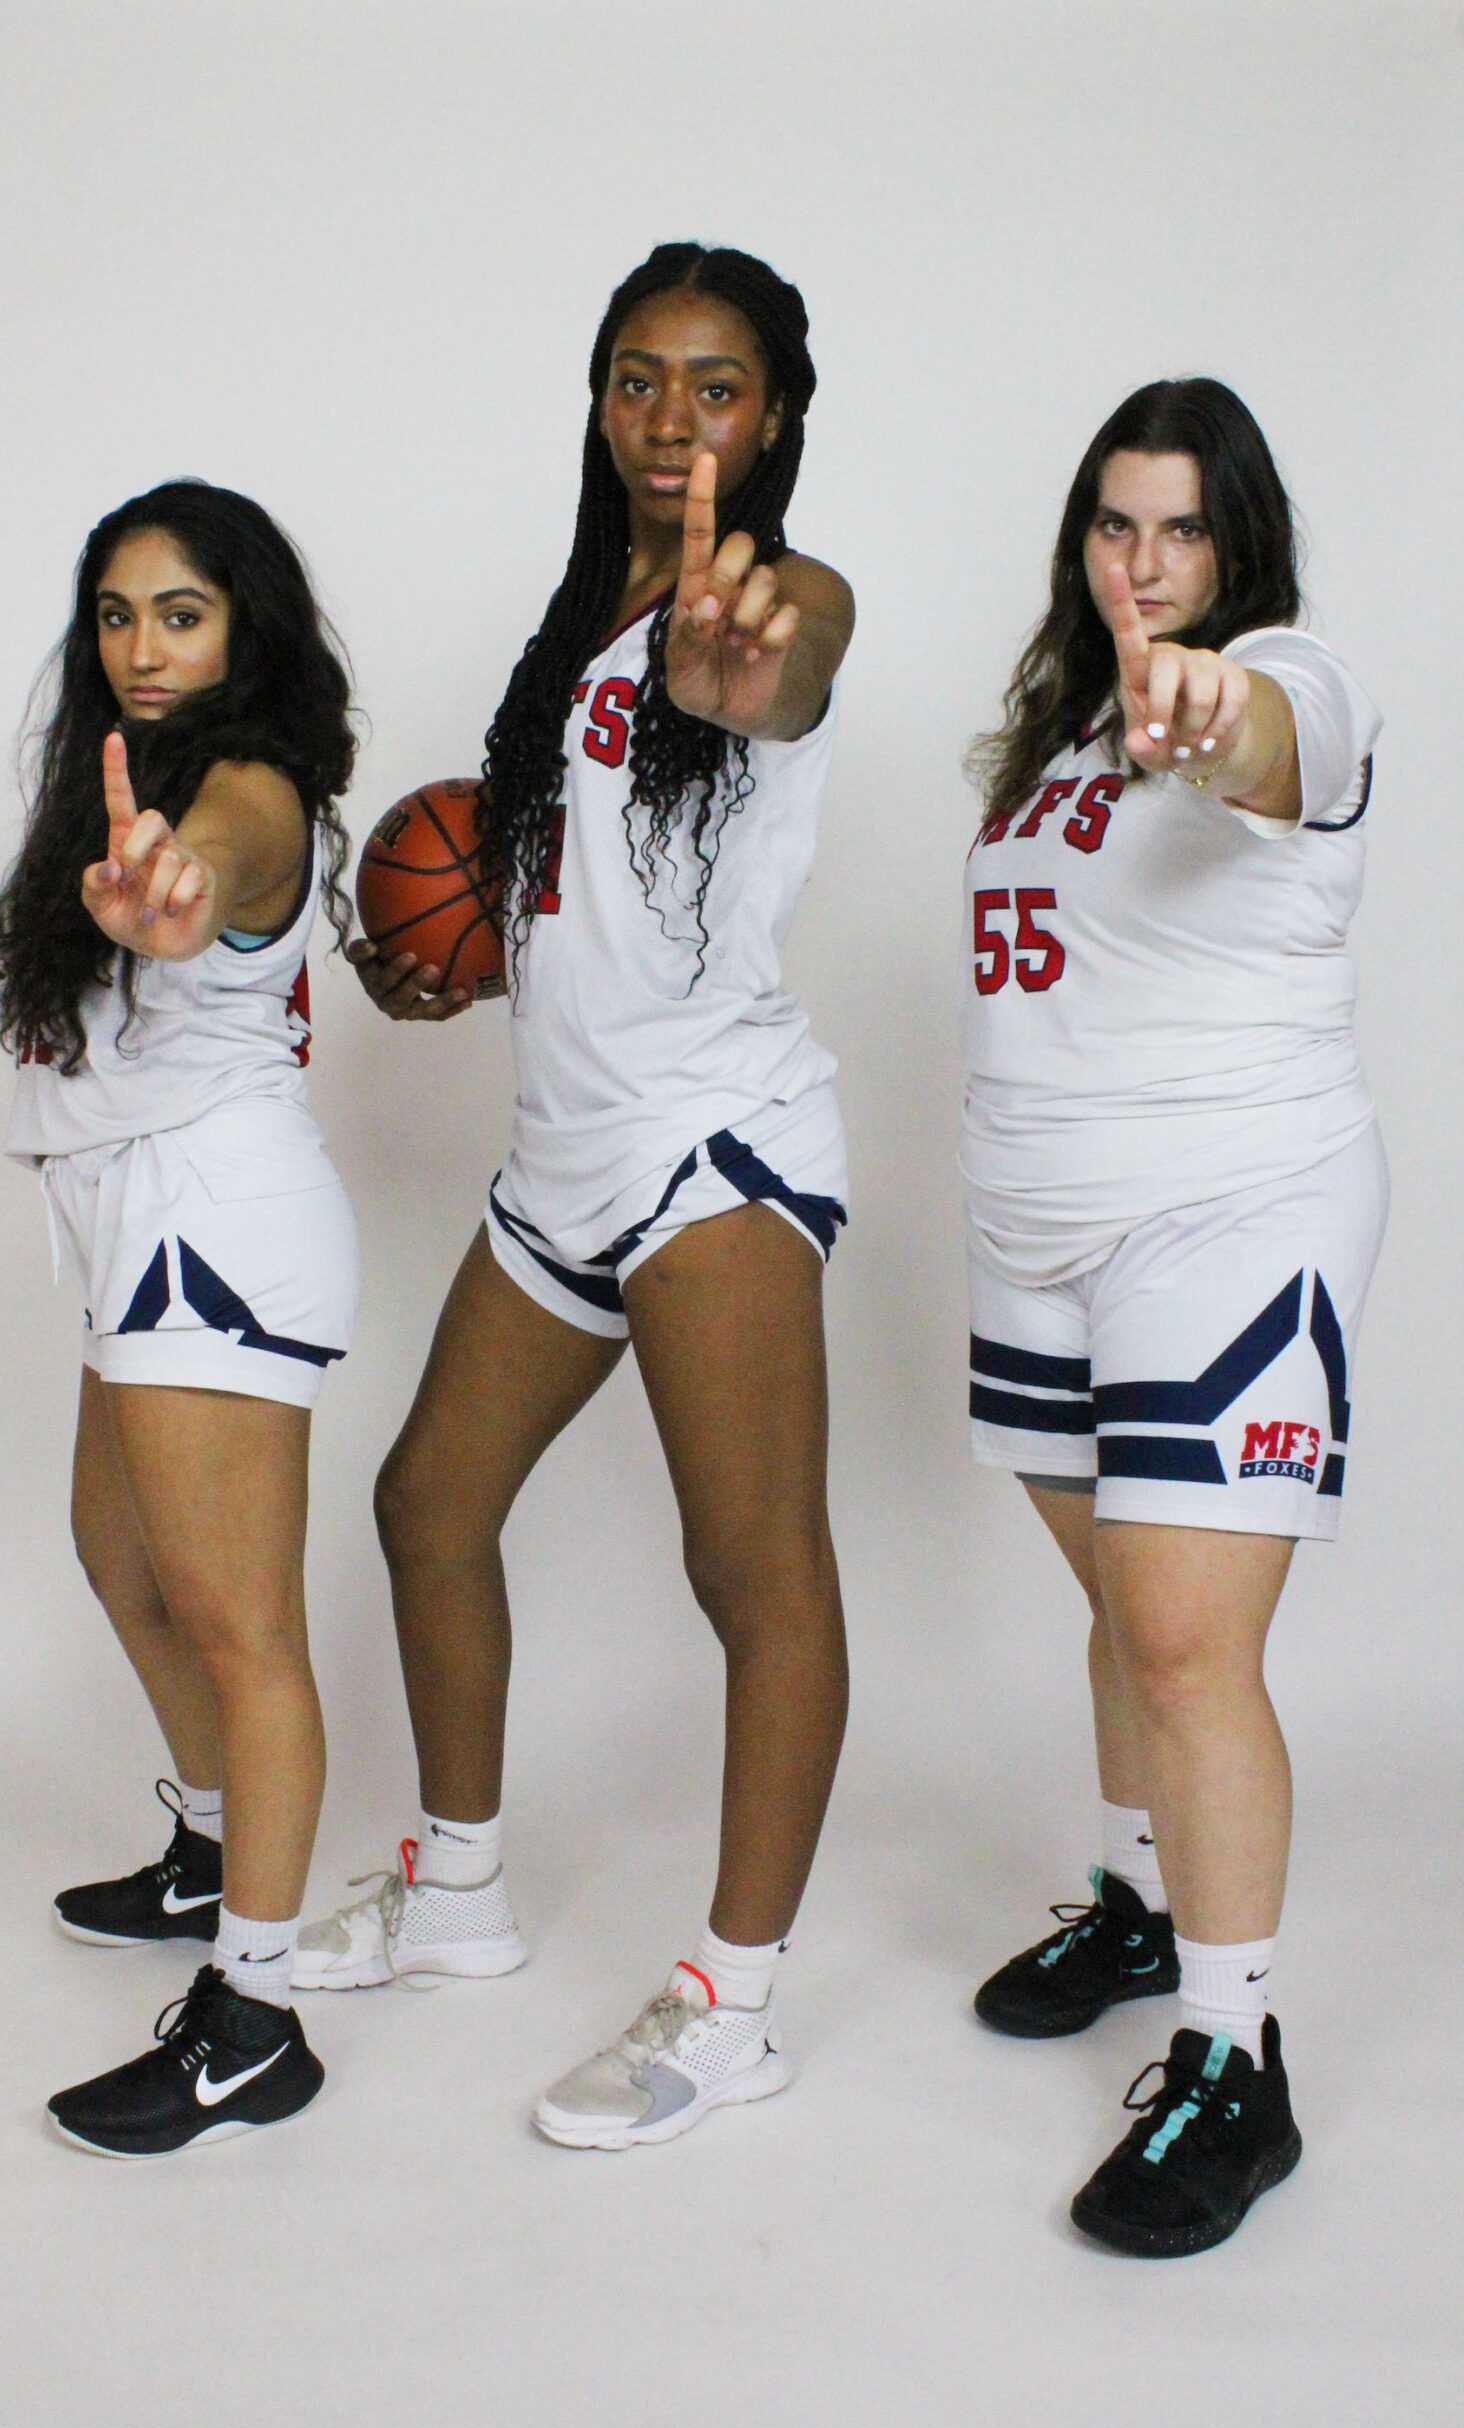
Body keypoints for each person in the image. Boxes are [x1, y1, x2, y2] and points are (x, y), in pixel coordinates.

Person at [293, 242, 856, 2150]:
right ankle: (458, 1896)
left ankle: (734, 2005)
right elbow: (571, 910)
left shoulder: (774, 599)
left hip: (712, 1150)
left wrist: (744, 653)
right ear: (600, 401)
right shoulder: (568, 633)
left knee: (749, 1568)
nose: (672, 420)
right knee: (426, 1503)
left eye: (714, 387)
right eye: (638, 379)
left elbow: (786, 664)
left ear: (773, 415)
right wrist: (442, 959)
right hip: (566, 1154)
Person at [961, 379, 1385, 2253]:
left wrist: (1222, 709)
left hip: (1224, 1215)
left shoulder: (1290, 681)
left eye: (1183, 531)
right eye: (1115, 527)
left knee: (1192, 1647)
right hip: (1040, 1232)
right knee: (1128, 1615)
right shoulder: (1057, 730)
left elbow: (1268, 741)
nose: (1144, 567)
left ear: (1242, 550)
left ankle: (1237, 2062)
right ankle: (1143, 1898)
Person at [0, 481, 360, 2154]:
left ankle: (253, 2018)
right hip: (139, 1216)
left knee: (242, 1628)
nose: (142, 648)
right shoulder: (125, 777)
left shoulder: (247, 786)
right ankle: (215, 1850)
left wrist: (187, 883)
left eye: (181, 613)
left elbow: (236, 858)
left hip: (216, 1226)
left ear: (245, 627)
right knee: (119, 1558)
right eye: (118, 615)